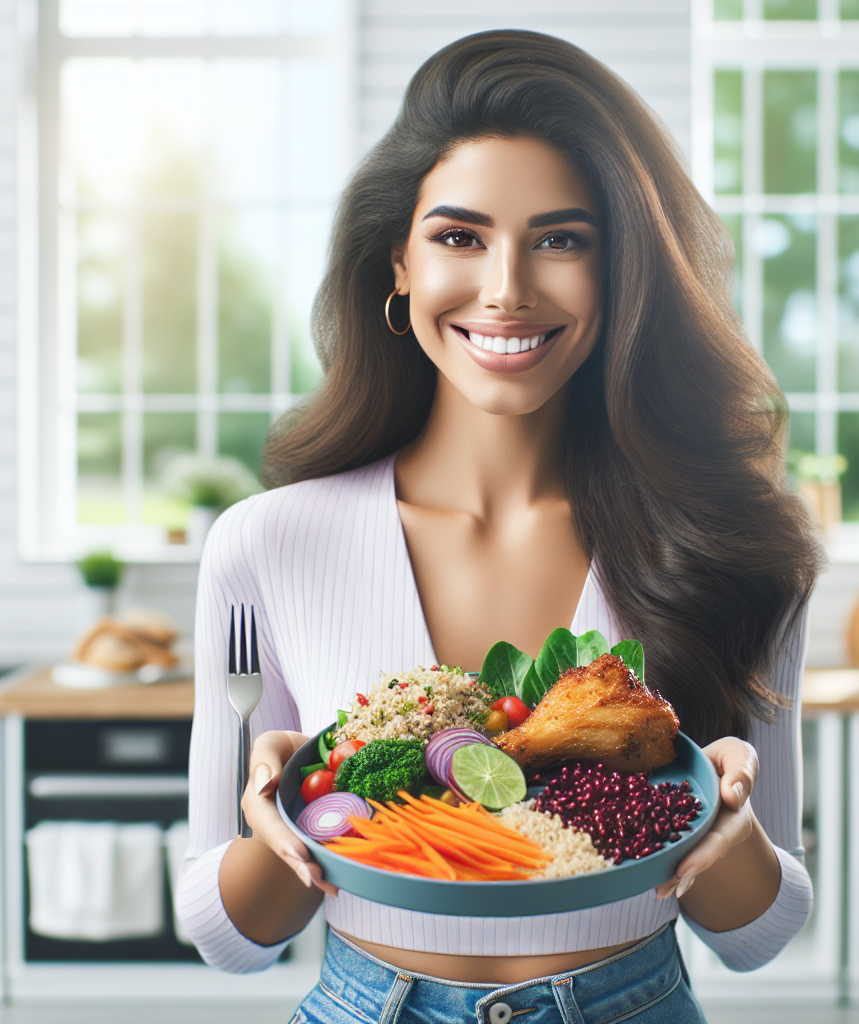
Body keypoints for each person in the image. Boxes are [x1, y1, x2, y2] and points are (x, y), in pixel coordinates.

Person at [176, 29, 821, 1024]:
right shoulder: (268, 542)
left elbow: (759, 935)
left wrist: (724, 829)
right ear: (397, 261)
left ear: (621, 276)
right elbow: (228, 936)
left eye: (561, 239)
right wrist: (277, 830)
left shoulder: (728, 540)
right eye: (459, 237)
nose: (507, 287)